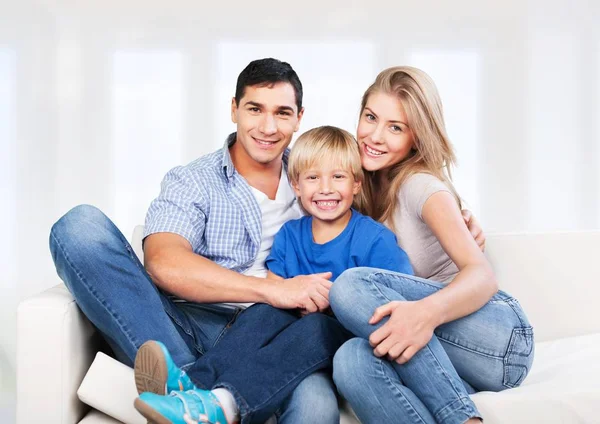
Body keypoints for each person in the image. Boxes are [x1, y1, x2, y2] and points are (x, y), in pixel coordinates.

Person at [49, 58, 350, 424]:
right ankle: (197, 389)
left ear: (299, 118)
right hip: (185, 326)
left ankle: (192, 396)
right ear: (234, 109)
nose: (268, 127)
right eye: (255, 109)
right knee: (79, 227)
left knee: (316, 402)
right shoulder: (193, 181)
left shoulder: (322, 181)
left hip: (278, 341)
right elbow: (163, 261)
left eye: (282, 113)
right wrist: (272, 291)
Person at [329, 66, 535, 424]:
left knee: (350, 286)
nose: (375, 136)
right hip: (451, 361)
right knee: (350, 360)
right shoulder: (355, 191)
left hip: (498, 338)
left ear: (416, 138)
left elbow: (482, 276)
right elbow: (310, 164)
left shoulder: (420, 186)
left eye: (396, 127)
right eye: (370, 118)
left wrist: (425, 314)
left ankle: (464, 420)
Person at [265, 125, 414, 282]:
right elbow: (274, 290)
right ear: (296, 186)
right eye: (313, 178)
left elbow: (401, 295)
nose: (326, 189)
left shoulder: (375, 239)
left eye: (338, 176)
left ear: (356, 184)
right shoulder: (289, 235)